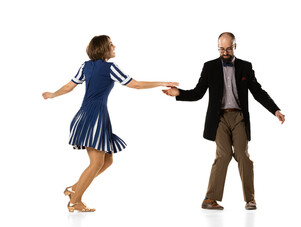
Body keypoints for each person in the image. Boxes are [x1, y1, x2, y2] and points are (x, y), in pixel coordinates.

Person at [42, 35, 178, 212]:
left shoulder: (86, 66)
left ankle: (74, 189)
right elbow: (135, 85)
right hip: (94, 117)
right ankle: (75, 200)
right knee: (96, 163)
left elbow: (69, 87)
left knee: (107, 160)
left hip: (87, 115)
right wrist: (161, 82)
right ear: (102, 48)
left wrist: (53, 94)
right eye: (110, 44)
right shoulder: (110, 68)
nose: (114, 46)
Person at [163, 32, 285, 210]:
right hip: (218, 118)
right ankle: (209, 199)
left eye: (228, 48)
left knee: (243, 156)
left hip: (239, 117)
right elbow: (198, 93)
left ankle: (250, 199)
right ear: (218, 48)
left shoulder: (245, 66)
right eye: (222, 49)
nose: (225, 52)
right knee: (224, 154)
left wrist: (275, 109)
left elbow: (258, 91)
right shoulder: (209, 67)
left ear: (235, 46)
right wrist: (179, 93)